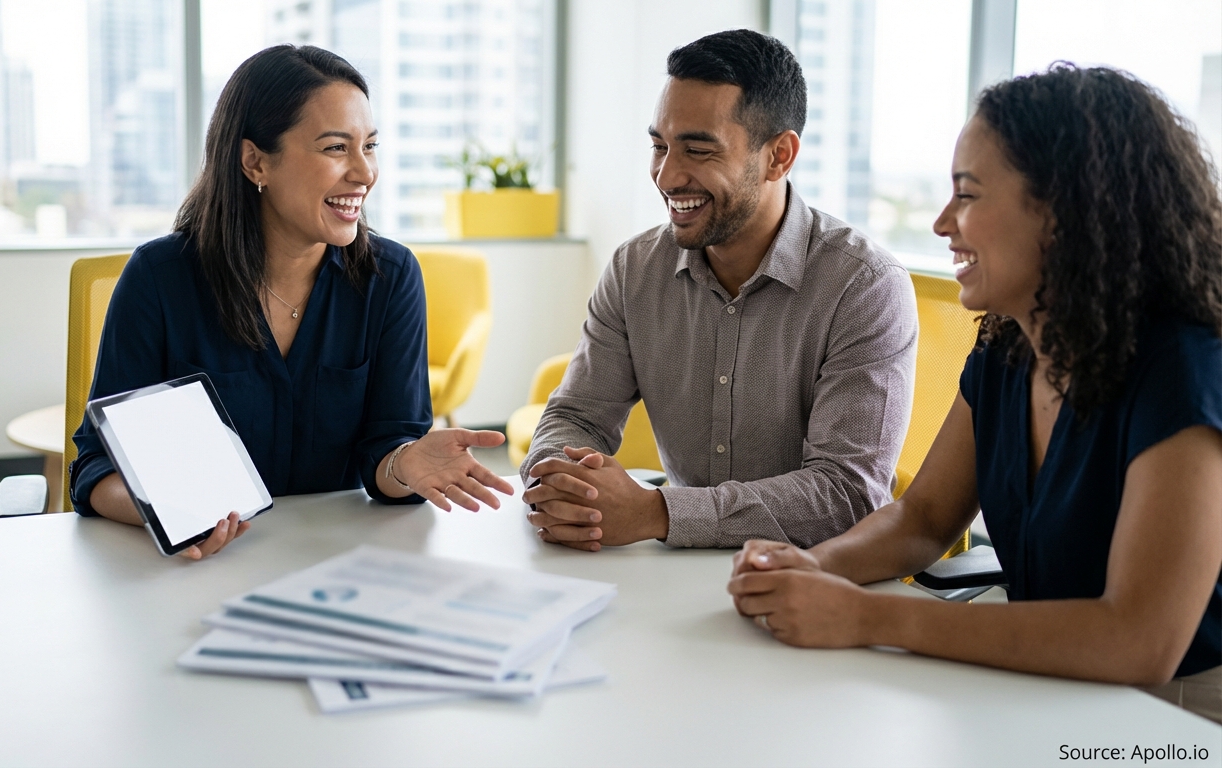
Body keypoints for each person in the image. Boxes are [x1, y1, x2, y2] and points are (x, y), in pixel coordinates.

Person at [728, 65, 1222, 723]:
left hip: (1180, 714)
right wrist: (814, 570)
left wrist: (869, 616)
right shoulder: (1009, 347)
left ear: (1066, 211)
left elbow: (1139, 640)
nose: (941, 223)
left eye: (967, 195)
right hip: (1055, 689)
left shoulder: (1184, 370)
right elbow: (924, 517)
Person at [69, 46, 513, 559]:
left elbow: (386, 452)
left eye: (370, 146)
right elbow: (96, 465)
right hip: (202, 570)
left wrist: (405, 465)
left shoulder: (390, 279)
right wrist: (166, 513)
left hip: (338, 566)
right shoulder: (159, 279)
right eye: (335, 148)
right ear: (255, 161)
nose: (364, 173)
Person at [521, 29, 917, 551]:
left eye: (698, 150)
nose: (666, 176)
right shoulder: (634, 269)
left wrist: (660, 512)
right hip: (674, 577)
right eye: (659, 146)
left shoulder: (863, 287)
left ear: (779, 156)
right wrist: (561, 478)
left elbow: (846, 494)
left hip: (813, 583)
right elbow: (575, 415)